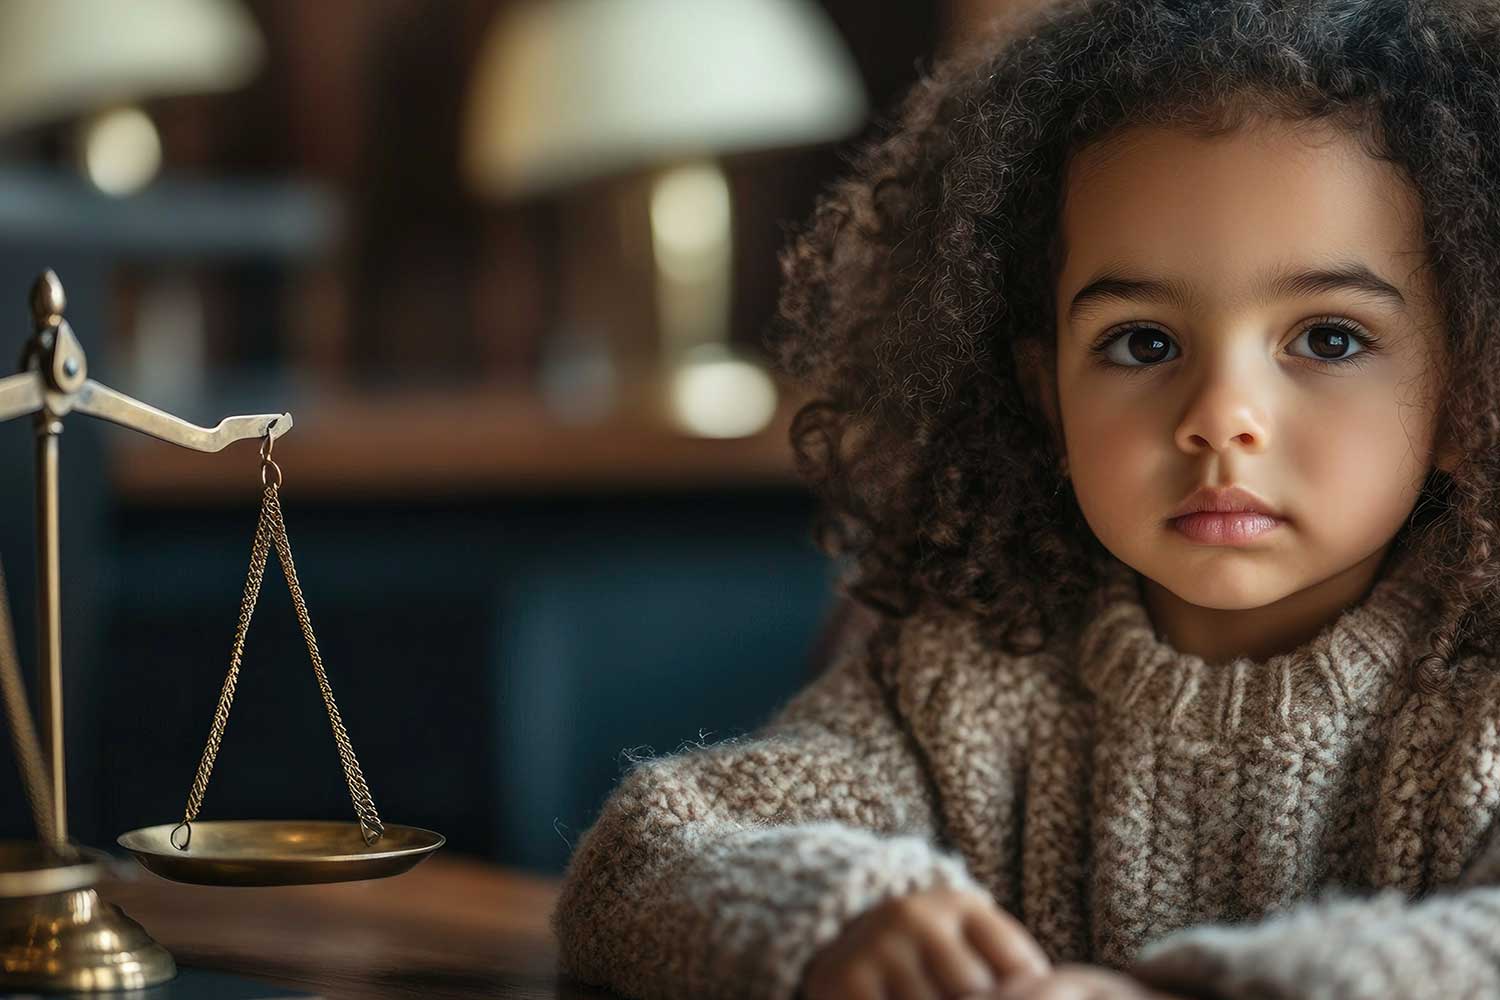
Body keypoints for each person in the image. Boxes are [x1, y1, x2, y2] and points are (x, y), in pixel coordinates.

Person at [550, 0, 1500, 997]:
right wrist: (836, 916)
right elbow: (644, 853)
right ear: (1049, 396)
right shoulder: (962, 683)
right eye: (1143, 342)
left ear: (1464, 393)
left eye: (1330, 338)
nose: (1221, 417)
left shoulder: (1475, 706)